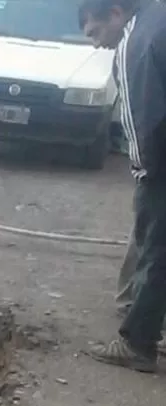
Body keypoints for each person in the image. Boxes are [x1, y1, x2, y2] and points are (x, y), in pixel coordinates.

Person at [80, 0, 166, 373]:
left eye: (95, 33)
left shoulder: (135, 41)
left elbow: (140, 118)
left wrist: (142, 171)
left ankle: (138, 343)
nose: (97, 44)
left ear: (116, 13)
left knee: (155, 250)